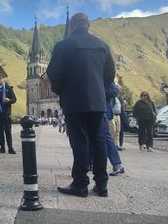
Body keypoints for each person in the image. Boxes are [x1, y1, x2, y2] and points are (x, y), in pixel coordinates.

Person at [47, 12, 115, 197]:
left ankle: (80, 183)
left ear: (71, 27)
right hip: (97, 102)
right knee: (98, 141)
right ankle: (102, 185)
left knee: (79, 142)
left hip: (74, 102)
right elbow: (110, 74)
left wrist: (64, 92)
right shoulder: (103, 45)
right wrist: (98, 88)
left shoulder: (63, 45)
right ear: (88, 25)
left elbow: (53, 74)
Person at [0, 73, 17, 154]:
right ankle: (2, 148)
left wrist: (9, 100)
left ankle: (10, 148)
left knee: (8, 131)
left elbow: (14, 99)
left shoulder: (8, 88)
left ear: (3, 79)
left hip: (6, 112)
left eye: (1, 78)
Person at [105, 82, 125, 176]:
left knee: (106, 136)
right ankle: (90, 163)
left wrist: (97, 91)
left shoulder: (106, 74)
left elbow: (114, 91)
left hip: (102, 110)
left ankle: (117, 164)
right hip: (87, 107)